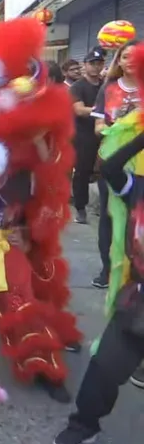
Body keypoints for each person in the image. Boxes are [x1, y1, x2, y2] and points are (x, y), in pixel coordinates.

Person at [52, 113, 144, 444]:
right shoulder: (139, 190)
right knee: (103, 370)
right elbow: (109, 169)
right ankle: (83, 425)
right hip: (137, 304)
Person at [92, 41, 140, 290]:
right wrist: (114, 128)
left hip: (141, 163)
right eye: (124, 56)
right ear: (118, 61)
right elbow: (97, 127)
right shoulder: (108, 89)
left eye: (135, 55)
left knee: (137, 218)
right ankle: (108, 269)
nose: (129, 60)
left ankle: (134, 270)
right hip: (112, 162)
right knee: (109, 217)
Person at [69, 49, 106, 225]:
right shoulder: (78, 87)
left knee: (105, 171)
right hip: (84, 136)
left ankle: (105, 207)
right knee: (82, 173)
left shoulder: (106, 85)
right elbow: (79, 110)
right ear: (85, 65)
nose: (95, 67)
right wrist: (101, 111)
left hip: (106, 134)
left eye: (99, 63)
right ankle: (81, 208)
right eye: (92, 63)